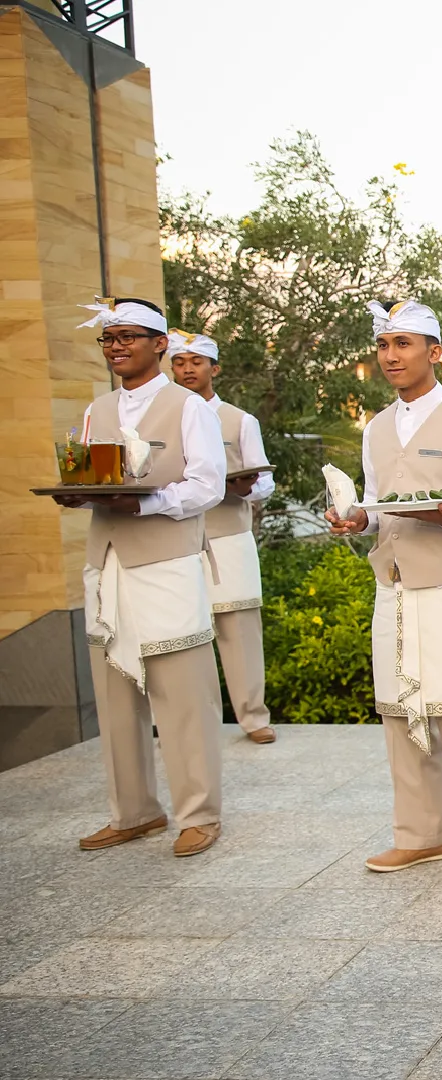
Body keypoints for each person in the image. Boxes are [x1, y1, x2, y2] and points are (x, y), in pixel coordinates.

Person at [326, 300, 442, 887]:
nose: (391, 356)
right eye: (385, 346)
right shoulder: (376, 428)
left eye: (404, 345)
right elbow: (378, 502)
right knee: (399, 713)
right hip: (395, 587)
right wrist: (357, 521)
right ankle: (423, 836)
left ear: (434, 352)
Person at [60, 298, 228, 857]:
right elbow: (92, 473)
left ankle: (199, 814)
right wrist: (77, 492)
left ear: (160, 344)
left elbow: (208, 485)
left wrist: (147, 503)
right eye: (109, 339)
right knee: (114, 692)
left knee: (182, 693)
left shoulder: (187, 407)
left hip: (167, 564)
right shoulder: (97, 408)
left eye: (129, 336)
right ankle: (133, 812)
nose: (116, 346)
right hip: (107, 564)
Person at [168, 331, 277, 745]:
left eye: (197, 362)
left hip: (228, 536)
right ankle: (190, 722)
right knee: (181, 630)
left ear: (215, 369)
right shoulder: (164, 418)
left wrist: (241, 488)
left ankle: (253, 716)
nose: (188, 370)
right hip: (174, 537)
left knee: (238, 628)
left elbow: (263, 482)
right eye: (180, 362)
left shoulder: (239, 420)